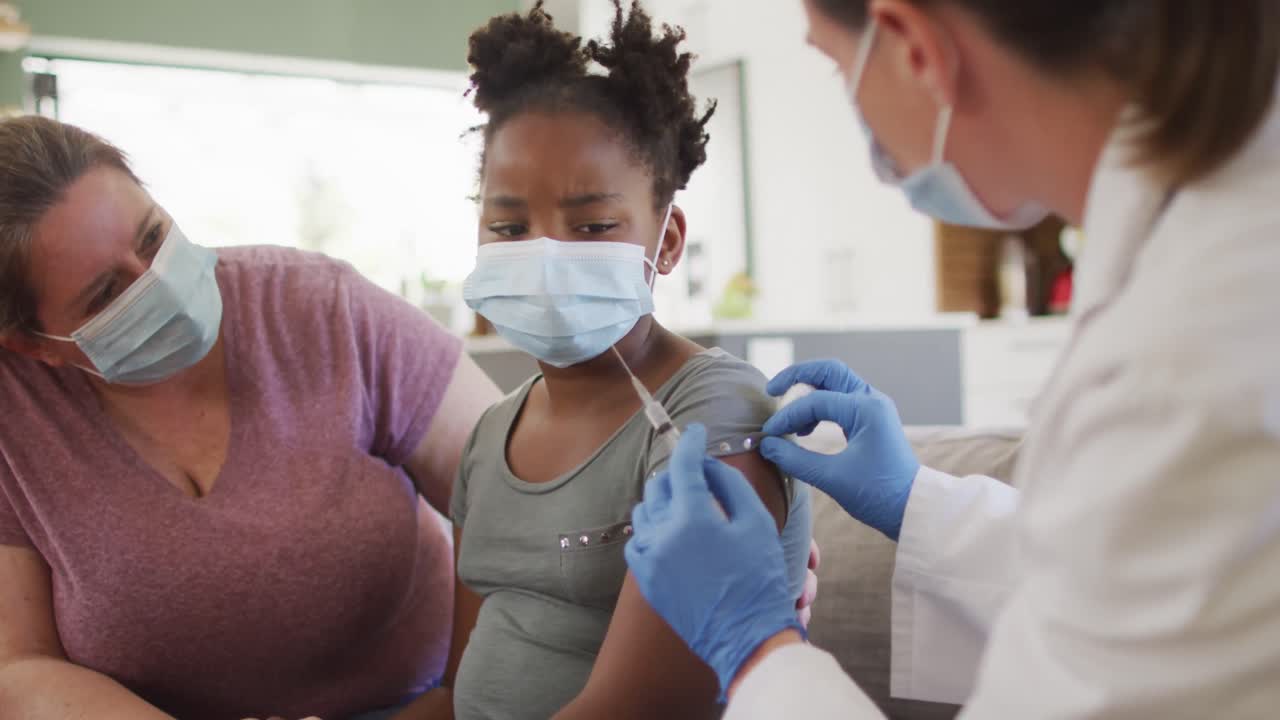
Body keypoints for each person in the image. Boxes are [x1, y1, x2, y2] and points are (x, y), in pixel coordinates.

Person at [623, 0, 1280, 717]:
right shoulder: (1202, 232)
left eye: (838, 63)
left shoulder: (1196, 349)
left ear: (913, 47)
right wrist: (919, 504)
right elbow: (1137, 586)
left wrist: (752, 645)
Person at [0, 116, 501, 719]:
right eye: (108, 294)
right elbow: (19, 666)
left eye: (154, 236)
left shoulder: (323, 309)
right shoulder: (15, 415)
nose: (156, 282)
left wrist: (460, 701)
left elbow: (508, 491)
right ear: (35, 344)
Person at [394, 3, 813, 719]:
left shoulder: (708, 417)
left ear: (668, 240)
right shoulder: (491, 436)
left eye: (591, 225)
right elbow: (457, 694)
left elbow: (634, 708)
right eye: (508, 226)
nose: (547, 252)